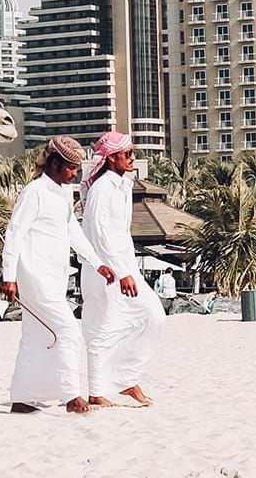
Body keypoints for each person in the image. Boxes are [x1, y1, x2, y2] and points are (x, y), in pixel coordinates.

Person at [0, 135, 116, 415]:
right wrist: (8, 276)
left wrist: (97, 262)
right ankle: (71, 396)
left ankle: (22, 398)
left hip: (54, 276)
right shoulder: (34, 191)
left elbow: (72, 232)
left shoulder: (61, 194)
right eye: (70, 168)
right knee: (67, 330)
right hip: (34, 276)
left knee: (34, 335)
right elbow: (14, 233)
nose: (75, 174)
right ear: (53, 163)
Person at [81, 130, 165, 408]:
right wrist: (120, 272)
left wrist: (128, 269)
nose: (133, 158)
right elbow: (101, 235)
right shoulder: (102, 189)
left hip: (126, 265)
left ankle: (126, 378)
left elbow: (119, 235)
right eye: (127, 153)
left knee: (153, 316)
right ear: (111, 158)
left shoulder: (123, 186)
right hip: (104, 270)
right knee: (101, 327)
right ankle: (97, 391)